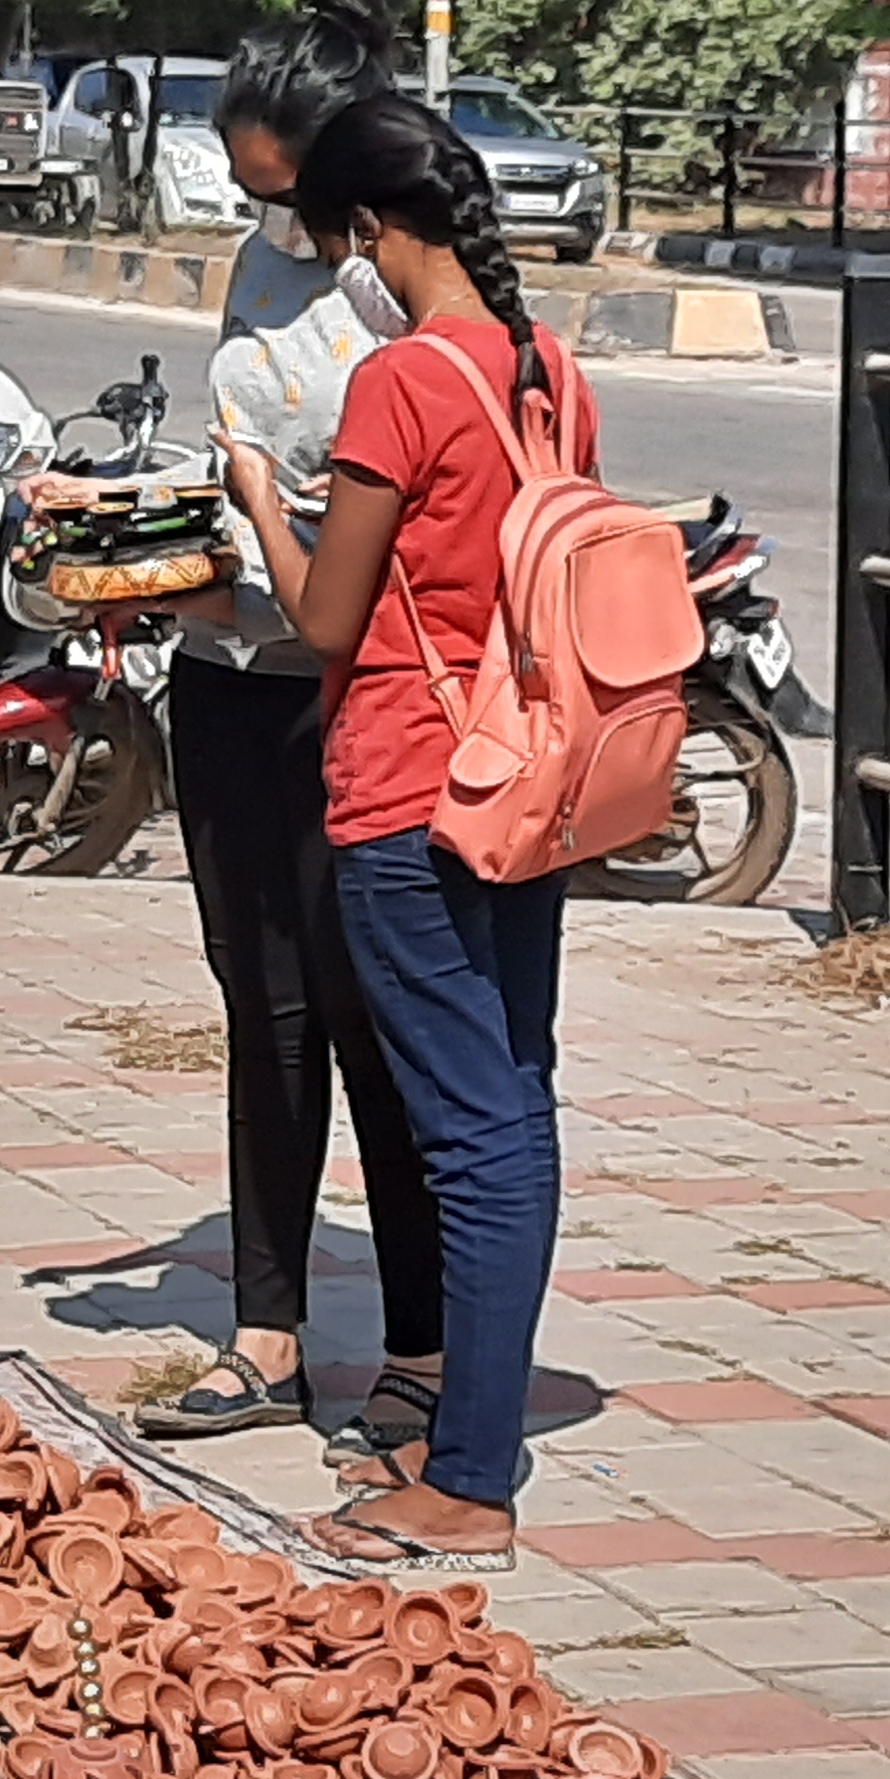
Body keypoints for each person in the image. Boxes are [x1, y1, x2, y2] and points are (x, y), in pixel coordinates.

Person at [226, 94, 599, 1576]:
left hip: (409, 792)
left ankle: (469, 1477)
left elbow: (327, 618)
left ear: (372, 232)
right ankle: (476, 1439)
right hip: (533, 783)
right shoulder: (543, 369)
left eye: (335, 247)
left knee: (470, 1138)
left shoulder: (399, 379)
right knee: (516, 1108)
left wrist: (263, 499)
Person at [134, 0, 444, 1457]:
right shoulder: (258, 274)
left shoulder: (407, 283)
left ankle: (424, 1349)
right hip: (231, 682)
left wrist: (279, 511)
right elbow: (242, 444)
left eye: (289, 192)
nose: (272, 219)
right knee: (261, 1015)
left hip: (363, 696)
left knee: (372, 1017)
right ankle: (266, 1336)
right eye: (248, 191)